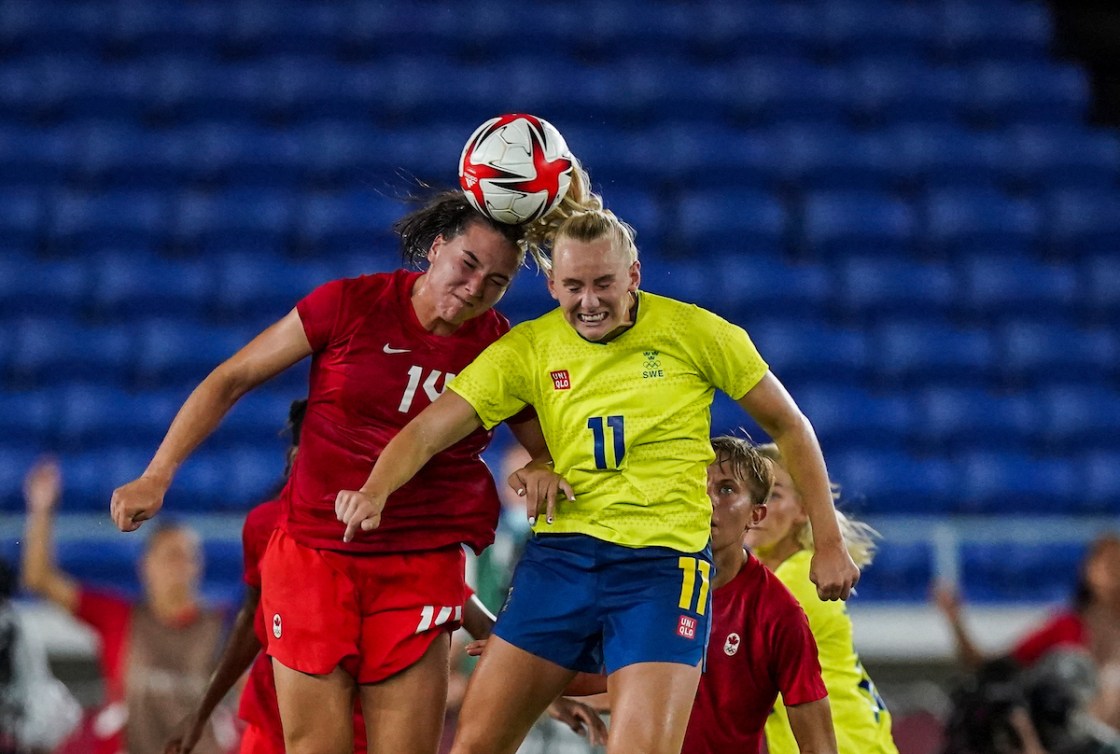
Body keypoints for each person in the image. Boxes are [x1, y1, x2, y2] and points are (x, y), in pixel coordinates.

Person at [334, 206, 859, 754]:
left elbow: (789, 426)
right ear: (552, 283)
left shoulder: (698, 333)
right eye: (574, 286)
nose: (589, 302)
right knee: (475, 744)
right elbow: (428, 429)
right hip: (561, 561)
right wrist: (376, 489)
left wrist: (828, 541)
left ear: (633, 276)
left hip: (662, 569)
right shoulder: (527, 350)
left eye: (604, 283)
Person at [111, 177, 598, 754]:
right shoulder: (349, 305)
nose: (473, 290)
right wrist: (159, 472)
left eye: (496, 283)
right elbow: (232, 376)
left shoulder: (500, 350)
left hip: (418, 565)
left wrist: (542, 464)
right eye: (467, 265)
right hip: (315, 556)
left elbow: (545, 450)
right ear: (436, 247)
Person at [164, 399, 533, 754]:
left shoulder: (400, 533)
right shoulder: (267, 526)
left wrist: (537, 686)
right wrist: (203, 710)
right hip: (274, 731)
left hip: (367, 734)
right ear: (296, 458)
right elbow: (252, 618)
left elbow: (463, 606)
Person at [22, 458, 231, 754]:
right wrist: (41, 509)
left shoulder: (221, 626)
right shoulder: (118, 617)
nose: (180, 566)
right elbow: (39, 577)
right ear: (145, 566)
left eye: (188, 556)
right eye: (170, 556)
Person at [745, 443, 898, 754]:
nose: (758, 506)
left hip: (846, 744)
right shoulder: (766, 575)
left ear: (803, 510)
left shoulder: (798, 578)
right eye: (753, 491)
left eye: (774, 495)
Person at [934, 533, 1120, 734]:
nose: (1113, 573)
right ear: (1087, 570)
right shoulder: (1063, 627)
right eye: (1107, 564)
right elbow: (990, 668)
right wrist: (956, 621)